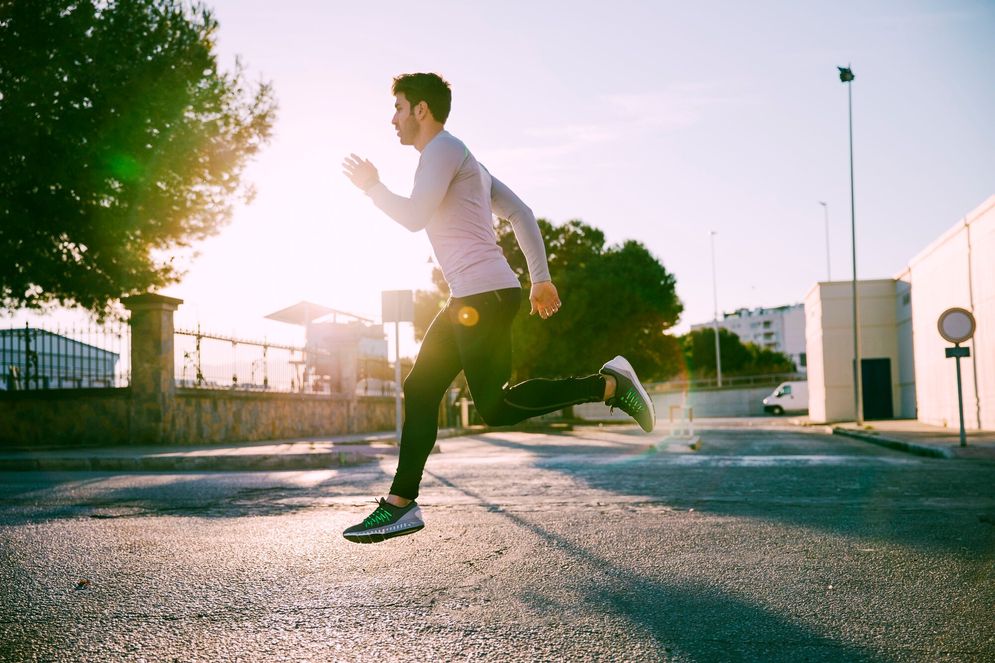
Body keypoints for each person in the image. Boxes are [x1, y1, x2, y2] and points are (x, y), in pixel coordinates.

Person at [340, 72, 655, 544]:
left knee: (496, 407)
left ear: (422, 110)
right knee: (421, 387)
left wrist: (371, 186)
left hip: (483, 296)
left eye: (400, 108)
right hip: (470, 297)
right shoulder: (465, 161)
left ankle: (609, 383)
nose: (394, 119)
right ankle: (400, 505)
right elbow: (521, 213)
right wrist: (540, 279)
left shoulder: (443, 150)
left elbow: (413, 217)